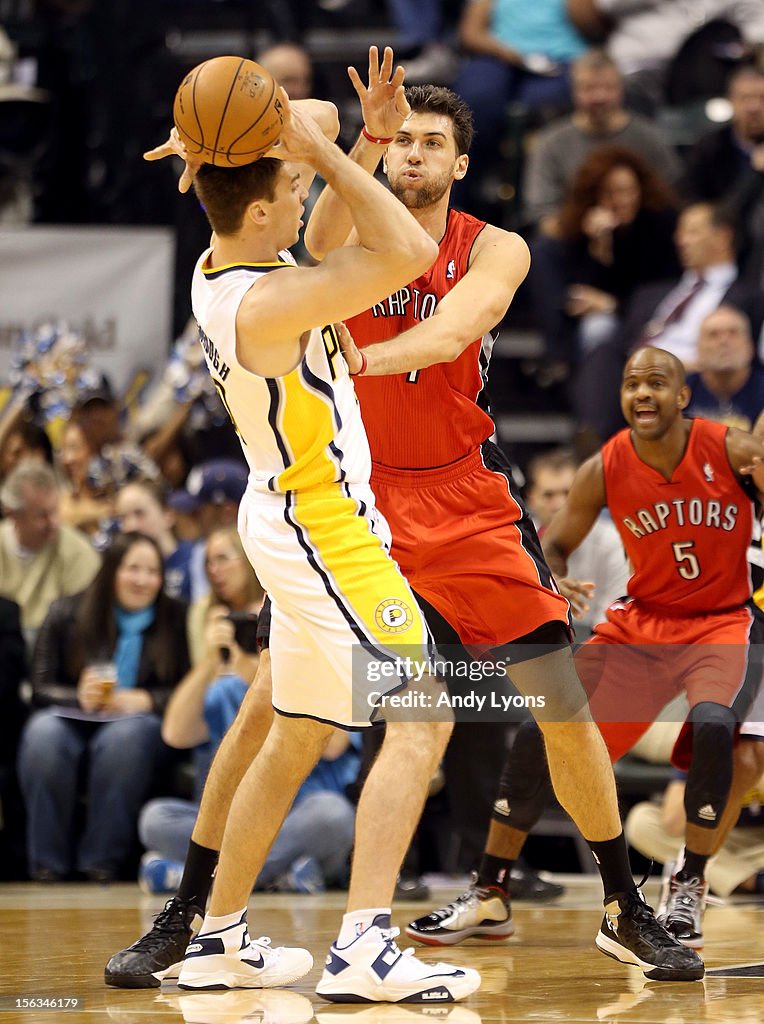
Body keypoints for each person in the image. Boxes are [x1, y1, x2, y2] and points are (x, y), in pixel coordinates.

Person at [105, 48, 700, 991]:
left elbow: (456, 327)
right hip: (353, 499)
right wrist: (294, 133)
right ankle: (193, 915)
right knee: (275, 710)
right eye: (405, 141)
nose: (415, 154)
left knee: (558, 699)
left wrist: (360, 363)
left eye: (434, 143)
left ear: (462, 164)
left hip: (461, 494)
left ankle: (624, 906)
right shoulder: (342, 229)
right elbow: (312, 144)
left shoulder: (495, 244)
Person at [107, 72, 479, 1003]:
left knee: (302, 727)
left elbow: (302, 123)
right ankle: (365, 945)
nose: (310, 195)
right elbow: (406, 245)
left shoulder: (225, 254)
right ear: (268, 208)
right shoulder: (267, 306)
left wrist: (248, 139)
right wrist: (318, 153)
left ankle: (220, 935)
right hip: (324, 523)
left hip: (289, 514)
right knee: (428, 712)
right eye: (298, 193)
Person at [408, 347, 764, 952]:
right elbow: (556, 543)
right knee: (542, 732)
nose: (643, 393)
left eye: (658, 383)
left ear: (683, 397)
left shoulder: (730, 448)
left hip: (720, 622)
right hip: (641, 625)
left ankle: (691, 884)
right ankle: (491, 892)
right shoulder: (604, 467)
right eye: (632, 384)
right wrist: (557, 578)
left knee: (714, 729)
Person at [17, 531, 190, 881]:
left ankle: (101, 862)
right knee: (43, 735)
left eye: (152, 571)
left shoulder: (177, 618)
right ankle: (46, 865)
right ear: (111, 570)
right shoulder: (66, 611)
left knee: (125, 738)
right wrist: (77, 697)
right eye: (133, 569)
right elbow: (40, 687)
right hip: (74, 716)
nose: (143, 580)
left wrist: (147, 699)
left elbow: (189, 686)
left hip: (140, 722)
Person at [528, 143, 680, 375]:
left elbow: (659, 290)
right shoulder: (583, 227)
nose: (622, 200)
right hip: (590, 315)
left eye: (629, 191)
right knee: (543, 251)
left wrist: (610, 304)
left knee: (598, 329)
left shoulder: (661, 224)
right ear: (595, 196)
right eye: (611, 193)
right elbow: (579, 288)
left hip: (643, 316)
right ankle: (560, 361)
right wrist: (601, 247)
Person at [524, 49, 681, 231]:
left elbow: (672, 200)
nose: (599, 97)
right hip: (574, 243)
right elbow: (542, 214)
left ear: (621, 89)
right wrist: (584, 228)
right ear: (574, 91)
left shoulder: (649, 138)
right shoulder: (550, 143)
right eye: (589, 89)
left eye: (607, 88)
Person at [626, 725, 764, 905]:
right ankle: (753, 880)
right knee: (642, 822)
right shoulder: (710, 740)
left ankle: (722, 878)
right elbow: (673, 824)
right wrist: (710, 772)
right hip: (718, 839)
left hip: (759, 843)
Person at [525, 447, 627, 633]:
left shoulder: (613, 542)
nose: (559, 505)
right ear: (531, 499)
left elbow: (616, 618)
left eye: (567, 493)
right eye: (549, 495)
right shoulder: (518, 544)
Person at [0, 460, 100, 647]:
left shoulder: (79, 553)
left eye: (55, 510)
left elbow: (85, 625)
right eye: (42, 515)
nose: (54, 522)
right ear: (12, 515)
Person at [114, 478, 195, 601]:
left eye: (139, 513)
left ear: (168, 516)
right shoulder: (118, 569)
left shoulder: (195, 559)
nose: (131, 526)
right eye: (123, 518)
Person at [686, 305, 764, 431]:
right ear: (698, 349)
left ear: (750, 346)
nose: (724, 341)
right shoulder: (680, 391)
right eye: (713, 335)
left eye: (733, 333)